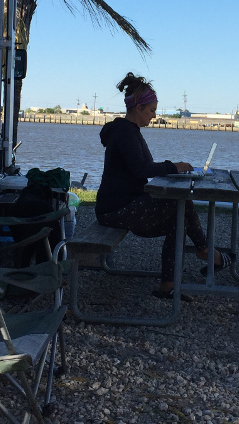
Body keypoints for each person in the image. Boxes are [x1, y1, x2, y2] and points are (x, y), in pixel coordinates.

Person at [95, 72, 231, 300]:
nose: (154, 115)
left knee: (178, 219)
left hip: (125, 205)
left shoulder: (130, 131)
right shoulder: (125, 132)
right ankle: (206, 251)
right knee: (180, 205)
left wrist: (172, 168)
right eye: (151, 110)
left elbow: (142, 168)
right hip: (114, 211)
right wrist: (173, 166)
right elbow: (142, 169)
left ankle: (169, 284)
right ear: (138, 109)